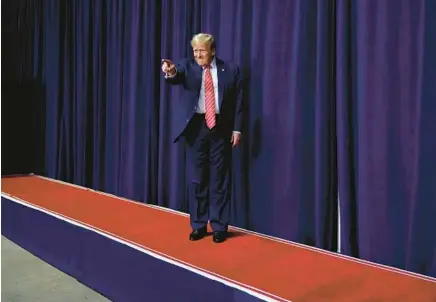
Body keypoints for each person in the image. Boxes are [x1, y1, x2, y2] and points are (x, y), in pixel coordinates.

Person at [161, 33, 243, 243]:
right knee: (197, 179)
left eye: (202, 51)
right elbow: (175, 74)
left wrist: (237, 129)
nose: (197, 54)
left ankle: (219, 227)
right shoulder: (187, 66)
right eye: (195, 51)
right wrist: (170, 72)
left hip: (220, 128)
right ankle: (198, 225)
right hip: (196, 129)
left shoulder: (230, 70)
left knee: (219, 180)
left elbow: (238, 102)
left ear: (213, 51)